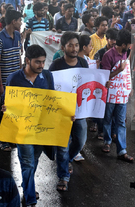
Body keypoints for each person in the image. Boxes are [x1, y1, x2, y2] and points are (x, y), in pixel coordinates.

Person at [5, 45, 53, 206]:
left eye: (43, 62)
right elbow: (9, 103)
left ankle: (28, 186)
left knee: (34, 160)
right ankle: (30, 198)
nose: (41, 65)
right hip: (22, 129)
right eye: (38, 62)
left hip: (41, 129)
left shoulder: (46, 76)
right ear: (27, 60)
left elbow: (53, 100)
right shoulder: (14, 78)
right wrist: (7, 107)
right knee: (27, 162)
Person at [49, 32, 89, 192]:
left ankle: (67, 160)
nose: (74, 48)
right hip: (62, 113)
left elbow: (87, 85)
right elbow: (51, 90)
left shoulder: (83, 63)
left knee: (80, 141)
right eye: (70, 45)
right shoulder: (56, 65)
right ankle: (63, 177)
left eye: (76, 45)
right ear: (63, 47)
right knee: (62, 147)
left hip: (79, 112)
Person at [100, 29, 133, 162]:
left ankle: (122, 150)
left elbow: (127, 72)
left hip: (122, 93)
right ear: (123, 44)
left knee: (120, 121)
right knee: (107, 118)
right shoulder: (108, 55)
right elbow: (104, 75)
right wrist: (119, 69)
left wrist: (129, 87)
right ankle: (107, 141)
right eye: (129, 45)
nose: (130, 47)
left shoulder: (126, 53)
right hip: (110, 94)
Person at [0, 10, 22, 151]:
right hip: (4, 81)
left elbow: (18, 56)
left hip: (16, 81)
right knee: (2, 111)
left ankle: (11, 137)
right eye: (19, 21)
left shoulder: (17, 36)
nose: (21, 23)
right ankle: (1, 140)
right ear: (13, 21)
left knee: (14, 111)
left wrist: (22, 75)